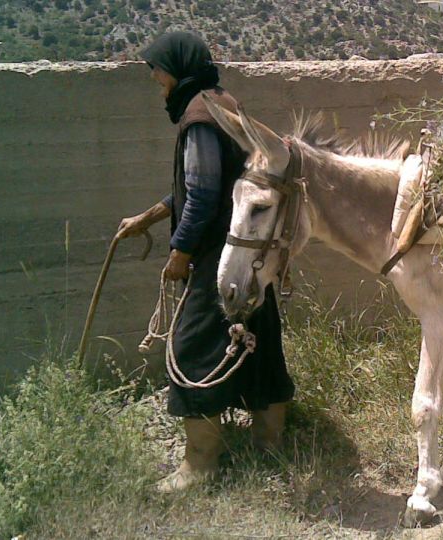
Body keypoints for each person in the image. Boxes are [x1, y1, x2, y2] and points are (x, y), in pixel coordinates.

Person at [117, 31, 295, 493]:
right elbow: (196, 188)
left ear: (177, 67)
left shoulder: (197, 118)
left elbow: (201, 196)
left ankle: (200, 467)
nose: (156, 79)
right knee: (259, 342)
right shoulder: (219, 101)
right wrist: (148, 217)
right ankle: (269, 446)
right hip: (250, 254)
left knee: (194, 346)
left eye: (157, 69)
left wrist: (179, 252)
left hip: (221, 256)